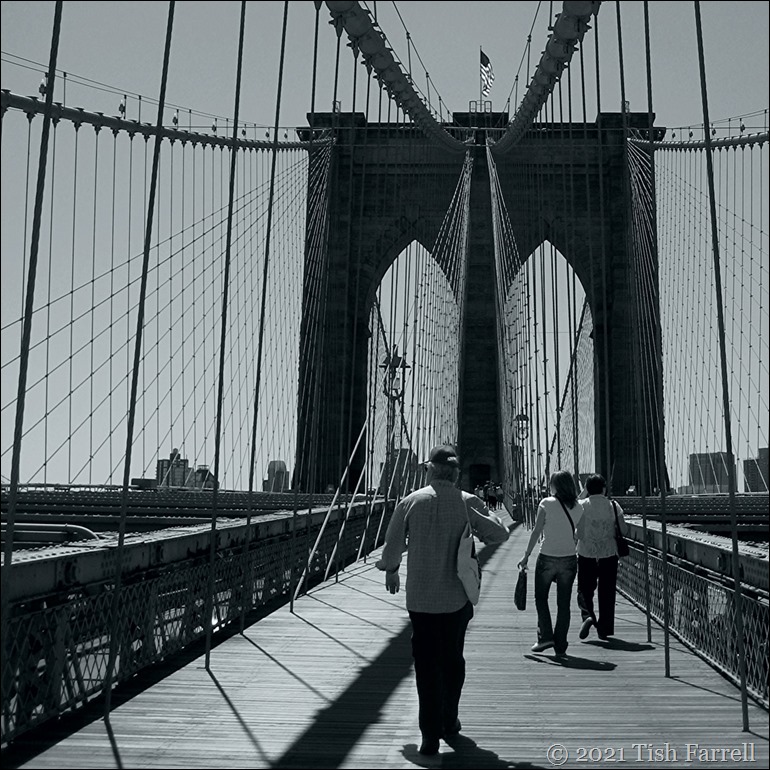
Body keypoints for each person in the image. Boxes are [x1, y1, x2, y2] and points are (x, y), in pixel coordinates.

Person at [376, 445, 509, 756]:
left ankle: (429, 737)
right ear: (457, 474)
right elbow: (500, 536)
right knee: (453, 660)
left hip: (420, 600)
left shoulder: (410, 501)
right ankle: (449, 719)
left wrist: (392, 572)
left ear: (429, 471)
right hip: (456, 599)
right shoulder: (467, 502)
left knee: (425, 666)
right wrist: (476, 516)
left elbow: (392, 547)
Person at [517, 469, 582, 657]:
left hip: (547, 557)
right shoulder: (579, 508)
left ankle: (545, 636)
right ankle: (560, 645)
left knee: (541, 598)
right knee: (564, 604)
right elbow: (582, 534)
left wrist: (526, 555)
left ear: (555, 485)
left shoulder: (546, 503)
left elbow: (537, 531)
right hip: (569, 559)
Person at [575, 474, 628, 641]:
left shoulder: (581, 505)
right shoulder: (613, 506)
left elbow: (578, 533)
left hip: (586, 553)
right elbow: (624, 530)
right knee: (607, 592)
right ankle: (604, 630)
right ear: (604, 488)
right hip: (609, 554)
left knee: (584, 590)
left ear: (587, 489)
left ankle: (588, 616)